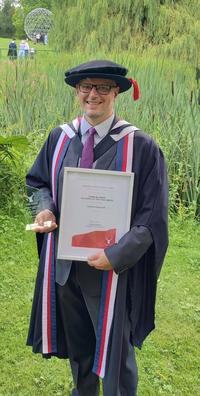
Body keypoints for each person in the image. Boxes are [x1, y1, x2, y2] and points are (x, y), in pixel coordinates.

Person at [26, 60, 168, 396]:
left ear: (116, 91)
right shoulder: (59, 137)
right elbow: (38, 182)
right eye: (86, 87)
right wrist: (45, 208)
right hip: (65, 267)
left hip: (113, 271)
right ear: (77, 92)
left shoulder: (141, 147)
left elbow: (153, 217)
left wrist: (117, 254)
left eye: (102, 87)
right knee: (79, 351)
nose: (93, 94)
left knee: (117, 357)